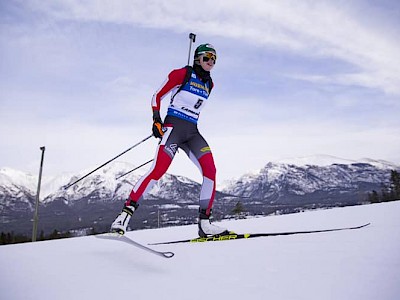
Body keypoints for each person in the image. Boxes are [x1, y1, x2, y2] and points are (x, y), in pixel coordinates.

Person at [111, 43, 229, 237]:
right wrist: (156, 119)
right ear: (198, 58)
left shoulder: (210, 84)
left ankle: (205, 223)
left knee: (210, 171)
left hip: (192, 132)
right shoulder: (181, 74)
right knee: (158, 169)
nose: (211, 62)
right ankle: (123, 216)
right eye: (207, 57)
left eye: (214, 59)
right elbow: (157, 96)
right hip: (174, 127)